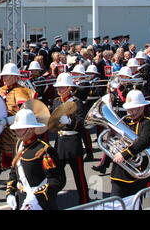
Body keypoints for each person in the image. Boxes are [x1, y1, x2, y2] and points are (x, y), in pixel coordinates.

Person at [6, 109, 66, 210]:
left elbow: (57, 180)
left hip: (41, 203)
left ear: (31, 129)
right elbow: (14, 172)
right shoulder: (17, 146)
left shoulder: (44, 149)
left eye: (20, 129)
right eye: (16, 129)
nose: (16, 131)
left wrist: (37, 196)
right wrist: (10, 192)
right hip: (21, 200)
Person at [0, 63, 35, 190]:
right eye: (3, 76)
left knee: (17, 162)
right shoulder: (0, 90)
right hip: (0, 133)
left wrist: (7, 120)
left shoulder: (21, 91)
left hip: (15, 134)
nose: (4, 78)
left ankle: (21, 189)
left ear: (15, 77)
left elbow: (24, 113)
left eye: (7, 76)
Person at [109, 90, 150, 198]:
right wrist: (111, 141)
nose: (130, 111)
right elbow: (111, 139)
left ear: (142, 107)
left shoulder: (148, 123)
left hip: (138, 173)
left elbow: (144, 141)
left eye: (134, 108)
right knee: (115, 204)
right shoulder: (123, 121)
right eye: (129, 108)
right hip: (119, 173)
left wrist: (125, 154)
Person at [51, 72, 90, 205]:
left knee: (79, 175)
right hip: (60, 142)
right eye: (58, 87)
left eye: (62, 87)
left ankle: (85, 200)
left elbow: (81, 123)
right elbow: (53, 120)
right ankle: (51, 201)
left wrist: (69, 121)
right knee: (55, 175)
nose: (59, 90)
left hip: (73, 143)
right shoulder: (56, 101)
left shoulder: (76, 102)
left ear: (69, 88)